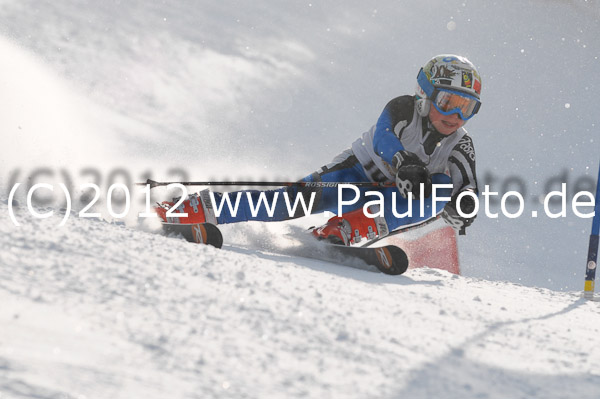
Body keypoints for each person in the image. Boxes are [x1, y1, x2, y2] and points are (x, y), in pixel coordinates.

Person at [155, 54, 481, 245]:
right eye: (449, 103)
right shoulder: (403, 108)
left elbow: (468, 185)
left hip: (388, 202)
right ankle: (196, 208)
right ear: (424, 96)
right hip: (352, 175)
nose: (455, 117)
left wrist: (464, 206)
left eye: (466, 108)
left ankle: (347, 230)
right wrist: (402, 162)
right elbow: (384, 138)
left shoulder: (460, 143)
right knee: (284, 204)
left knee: (439, 189)